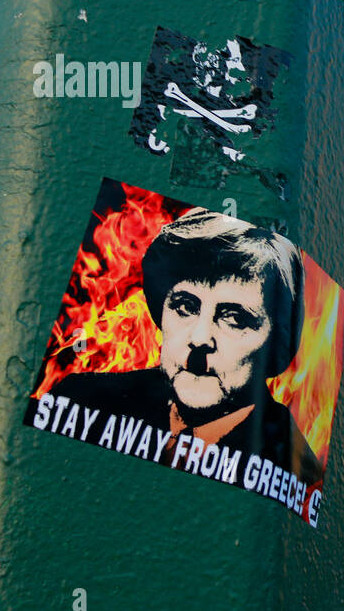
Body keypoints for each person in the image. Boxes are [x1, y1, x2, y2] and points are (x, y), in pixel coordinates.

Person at [48, 207, 321, 487]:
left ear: (275, 341)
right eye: (185, 307)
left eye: (234, 318)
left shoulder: (295, 470)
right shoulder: (81, 402)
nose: (200, 338)